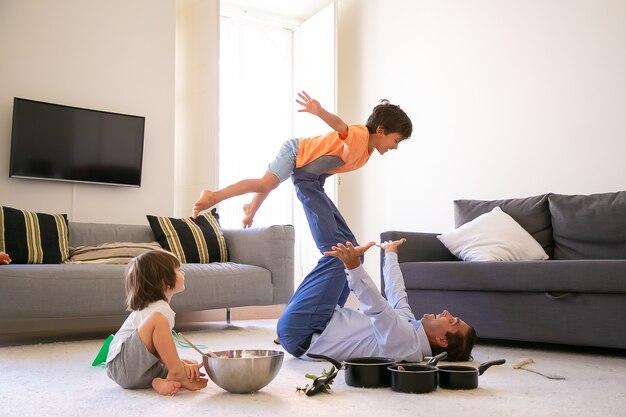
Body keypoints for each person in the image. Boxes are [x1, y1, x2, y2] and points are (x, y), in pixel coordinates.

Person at [276, 169, 476, 362]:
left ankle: (304, 180)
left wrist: (354, 268)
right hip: (317, 322)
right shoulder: (409, 328)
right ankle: (315, 185)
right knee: (352, 251)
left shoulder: (405, 343)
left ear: (441, 340)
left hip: (303, 332)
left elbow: (376, 308)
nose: (447, 313)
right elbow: (397, 292)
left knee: (340, 257)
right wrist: (390, 254)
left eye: (451, 321)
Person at [192, 90, 413, 227]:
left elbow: (330, 165)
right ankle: (213, 196)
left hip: (304, 156)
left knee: (269, 182)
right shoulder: (360, 136)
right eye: (396, 141)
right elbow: (339, 125)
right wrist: (319, 111)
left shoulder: (366, 154)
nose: (395, 147)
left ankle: (251, 208)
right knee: (265, 183)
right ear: (381, 130)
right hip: (296, 150)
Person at [106, 250, 208, 396]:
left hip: (136, 371)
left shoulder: (160, 308)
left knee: (189, 362)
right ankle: (176, 374)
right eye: (178, 270)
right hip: (122, 365)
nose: (183, 273)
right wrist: (178, 367)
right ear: (164, 281)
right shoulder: (157, 312)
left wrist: (182, 364)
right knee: (158, 321)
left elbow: (157, 350)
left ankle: (158, 381)